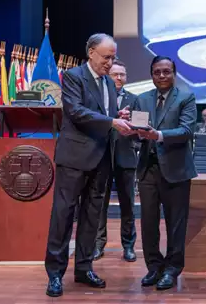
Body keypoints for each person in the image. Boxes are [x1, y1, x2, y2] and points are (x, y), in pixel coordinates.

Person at [44, 34, 133, 297]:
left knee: (92, 217)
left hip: (101, 159)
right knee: (63, 217)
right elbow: (76, 111)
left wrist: (118, 117)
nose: (110, 63)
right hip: (74, 159)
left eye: (113, 57)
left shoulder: (108, 82)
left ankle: (84, 268)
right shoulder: (73, 76)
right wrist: (112, 122)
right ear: (91, 52)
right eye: (106, 57)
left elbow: (104, 115)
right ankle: (55, 275)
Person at [133, 56, 197, 290]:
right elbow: (137, 130)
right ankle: (154, 267)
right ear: (151, 74)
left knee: (176, 224)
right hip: (148, 168)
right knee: (148, 223)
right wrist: (130, 129)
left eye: (166, 72)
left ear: (174, 73)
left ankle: (172, 269)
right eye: (157, 72)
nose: (162, 76)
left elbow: (187, 130)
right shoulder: (141, 99)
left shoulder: (186, 97)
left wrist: (158, 135)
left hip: (176, 169)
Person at [94, 60, 138, 262]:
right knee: (99, 204)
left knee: (127, 204)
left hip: (126, 157)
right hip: (101, 156)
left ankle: (128, 246)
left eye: (122, 74)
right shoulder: (100, 98)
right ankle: (97, 244)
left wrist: (132, 125)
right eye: (115, 74)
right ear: (107, 76)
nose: (119, 78)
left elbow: (141, 130)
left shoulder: (135, 99)